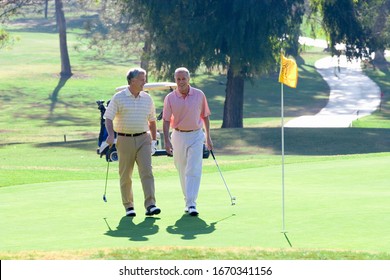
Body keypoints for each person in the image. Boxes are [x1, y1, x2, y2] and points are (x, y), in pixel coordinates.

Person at [104, 68, 160, 217]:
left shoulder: (147, 98)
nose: (144, 82)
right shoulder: (119, 97)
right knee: (126, 174)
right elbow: (108, 118)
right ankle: (129, 206)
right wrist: (110, 135)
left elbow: (152, 121)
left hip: (144, 139)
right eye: (142, 79)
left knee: (147, 171)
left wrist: (153, 141)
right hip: (124, 139)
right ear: (132, 81)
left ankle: (151, 204)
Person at [163, 67, 213, 216]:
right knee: (181, 168)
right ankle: (188, 200)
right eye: (178, 79)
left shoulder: (199, 95)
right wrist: (166, 140)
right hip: (178, 136)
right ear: (175, 80)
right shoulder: (170, 98)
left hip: (196, 135)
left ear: (189, 79)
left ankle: (192, 203)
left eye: (183, 78)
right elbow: (165, 120)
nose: (181, 82)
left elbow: (205, 116)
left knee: (193, 168)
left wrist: (208, 137)